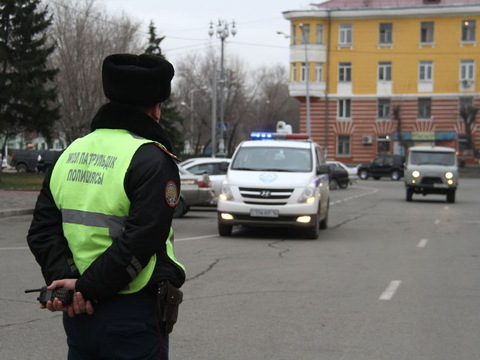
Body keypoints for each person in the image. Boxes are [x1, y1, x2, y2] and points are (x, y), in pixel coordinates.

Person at [27, 53, 186, 360]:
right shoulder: (152, 159)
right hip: (131, 312)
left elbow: (42, 230)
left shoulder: (70, 152)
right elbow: (141, 241)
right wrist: (87, 289)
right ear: (156, 109)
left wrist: (71, 286)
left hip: (78, 312)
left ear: (110, 100)